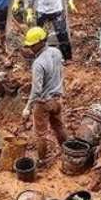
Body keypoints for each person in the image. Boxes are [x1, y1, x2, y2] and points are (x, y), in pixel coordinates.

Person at [21, 27, 68, 163]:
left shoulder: (38, 63)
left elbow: (36, 90)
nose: (31, 48)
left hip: (44, 103)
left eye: (32, 45)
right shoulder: (56, 52)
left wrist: (28, 107)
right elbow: (60, 72)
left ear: (41, 42)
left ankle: (42, 159)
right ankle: (67, 150)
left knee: (40, 133)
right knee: (58, 126)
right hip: (57, 99)